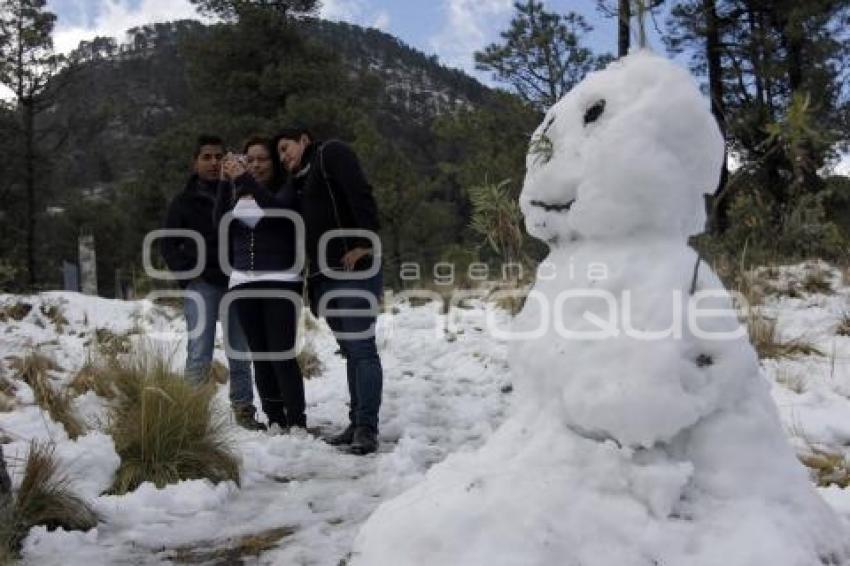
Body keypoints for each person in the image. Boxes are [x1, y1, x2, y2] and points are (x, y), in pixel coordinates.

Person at [274, 125, 383, 455]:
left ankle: (367, 427)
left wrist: (365, 242)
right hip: (325, 275)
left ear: (304, 140)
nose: (283, 156)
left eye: (286, 147)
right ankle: (356, 422)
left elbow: (360, 192)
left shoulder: (330, 152)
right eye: (278, 153)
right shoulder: (300, 180)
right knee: (350, 349)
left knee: (362, 348)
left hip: (353, 269)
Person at [160, 134, 263, 431]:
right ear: (195, 162)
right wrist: (188, 276)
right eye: (206, 157)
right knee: (199, 353)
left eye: (219, 156)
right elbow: (168, 244)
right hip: (202, 284)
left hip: (237, 282)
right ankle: (192, 416)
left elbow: (256, 229)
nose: (214, 162)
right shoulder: (182, 201)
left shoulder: (237, 194)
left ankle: (244, 411)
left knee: (240, 352)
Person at [216, 136, 306, 431]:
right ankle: (274, 417)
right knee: (260, 354)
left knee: (281, 351)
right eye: (249, 159)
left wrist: (245, 180)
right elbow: (220, 223)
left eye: (262, 159)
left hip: (281, 278)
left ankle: (296, 419)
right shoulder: (238, 189)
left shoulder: (287, 186)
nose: (255, 165)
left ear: (273, 162)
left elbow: (277, 214)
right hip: (242, 279)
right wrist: (223, 183)